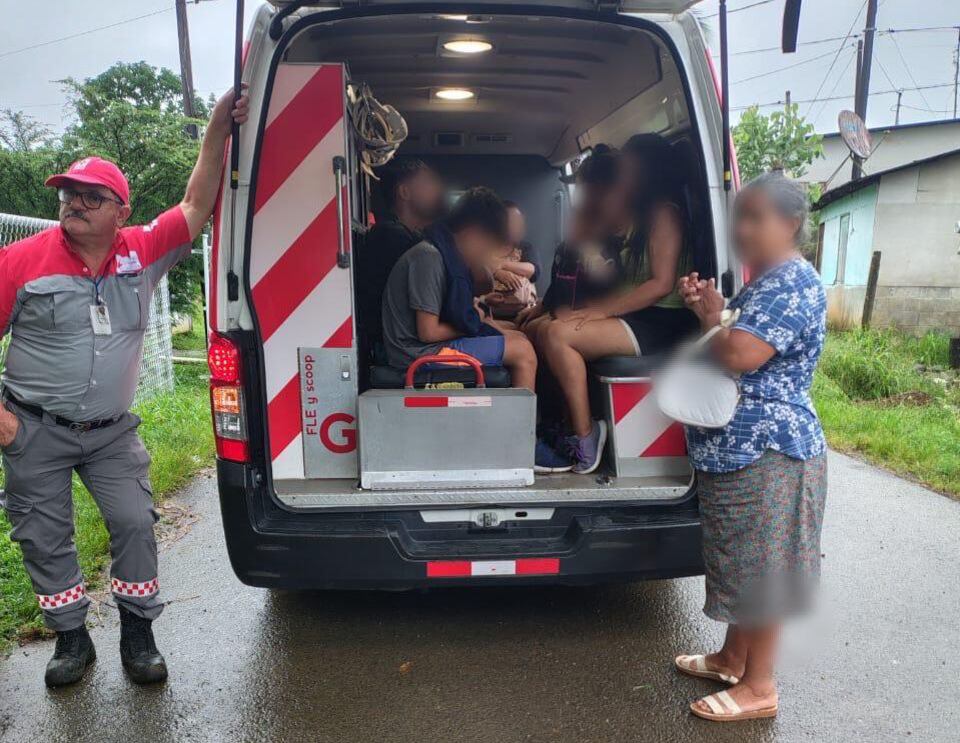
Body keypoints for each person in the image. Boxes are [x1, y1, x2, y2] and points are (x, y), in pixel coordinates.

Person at [0, 88, 250, 688]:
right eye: (69, 195)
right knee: (43, 533)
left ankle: (138, 632)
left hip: (110, 433)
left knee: (135, 520)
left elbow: (196, 203)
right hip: (33, 427)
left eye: (92, 196)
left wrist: (218, 126)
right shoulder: (20, 261)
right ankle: (71, 639)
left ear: (120, 210)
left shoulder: (141, 251)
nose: (75, 204)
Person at [675, 173, 828, 723]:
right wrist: (712, 311)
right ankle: (733, 657)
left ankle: (759, 687)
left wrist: (717, 330)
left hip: (772, 449)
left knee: (764, 570)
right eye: (739, 215)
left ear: (790, 224)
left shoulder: (793, 282)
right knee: (741, 560)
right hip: (740, 450)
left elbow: (740, 353)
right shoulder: (763, 282)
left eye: (755, 217)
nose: (742, 228)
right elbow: (732, 335)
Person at [539, 135, 698, 474]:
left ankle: (585, 437)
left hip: (662, 322)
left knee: (558, 336)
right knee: (553, 328)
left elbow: (661, 284)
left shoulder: (664, 214)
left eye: (625, 167)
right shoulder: (638, 217)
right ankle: (570, 426)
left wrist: (603, 311)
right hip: (641, 317)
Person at [381, 187, 537, 390]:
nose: (485, 253)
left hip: (428, 347)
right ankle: (517, 422)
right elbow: (428, 332)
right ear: (473, 234)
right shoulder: (428, 258)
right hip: (417, 353)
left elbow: (478, 286)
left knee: (520, 337)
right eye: (486, 246)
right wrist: (476, 320)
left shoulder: (445, 255)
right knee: (524, 352)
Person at [355, 158, 445, 351]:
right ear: (404, 192)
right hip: (401, 346)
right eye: (428, 184)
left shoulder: (411, 236)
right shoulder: (393, 238)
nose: (437, 191)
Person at [483, 201, 540, 321]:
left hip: (522, 312)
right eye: (512, 221)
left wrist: (502, 264)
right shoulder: (484, 246)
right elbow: (477, 266)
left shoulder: (525, 247)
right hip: (489, 313)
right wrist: (497, 273)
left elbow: (534, 271)